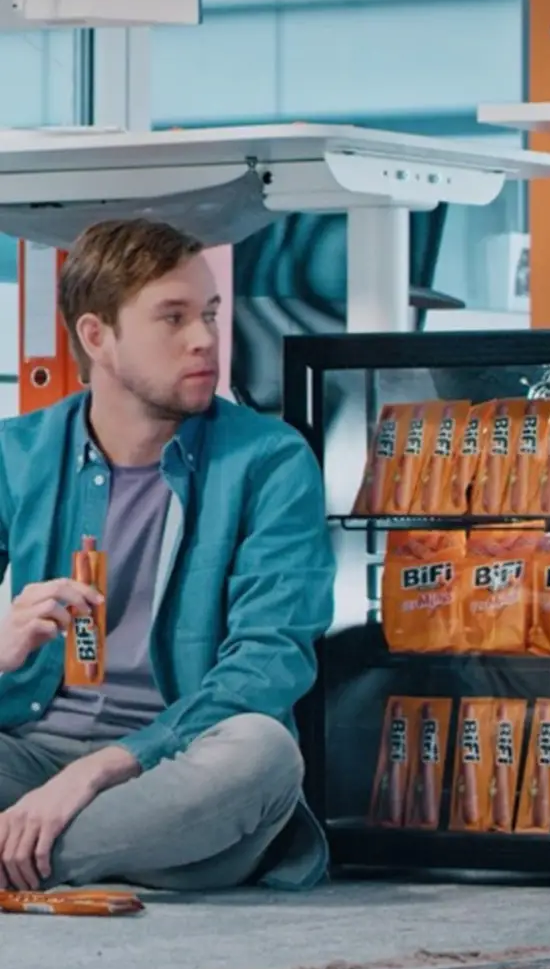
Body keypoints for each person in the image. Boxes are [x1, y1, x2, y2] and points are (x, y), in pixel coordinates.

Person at [0, 219, 335, 893]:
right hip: (30, 752)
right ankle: (118, 855)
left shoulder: (269, 460)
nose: (205, 338)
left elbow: (269, 662)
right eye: (172, 318)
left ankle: (37, 853)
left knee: (262, 753)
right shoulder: (17, 452)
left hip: (179, 756)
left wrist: (93, 773)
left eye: (209, 313)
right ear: (97, 336)